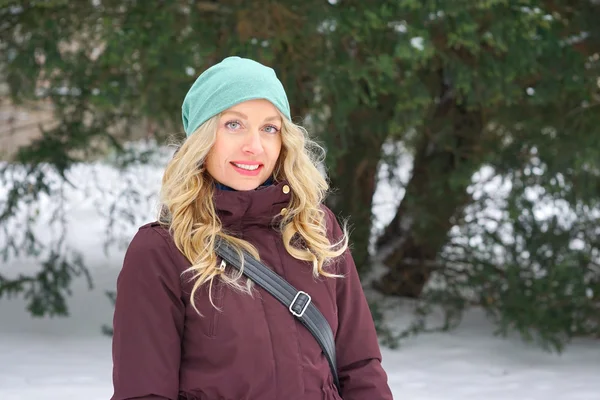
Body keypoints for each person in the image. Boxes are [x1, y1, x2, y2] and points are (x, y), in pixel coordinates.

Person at [110, 56, 393, 400]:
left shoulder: (316, 230)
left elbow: (360, 367)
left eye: (269, 128)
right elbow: (145, 393)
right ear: (202, 136)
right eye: (234, 124)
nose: (254, 146)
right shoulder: (162, 251)